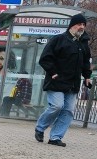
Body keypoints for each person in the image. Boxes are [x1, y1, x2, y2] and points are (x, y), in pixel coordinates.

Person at [34, 13, 92, 147]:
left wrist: (87, 76)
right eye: (79, 24)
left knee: (68, 111)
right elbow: (45, 58)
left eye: (83, 25)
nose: (81, 27)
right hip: (56, 81)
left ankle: (55, 137)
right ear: (72, 26)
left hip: (72, 83)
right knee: (57, 106)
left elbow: (85, 62)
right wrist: (53, 72)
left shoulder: (83, 44)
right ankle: (40, 127)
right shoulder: (59, 39)